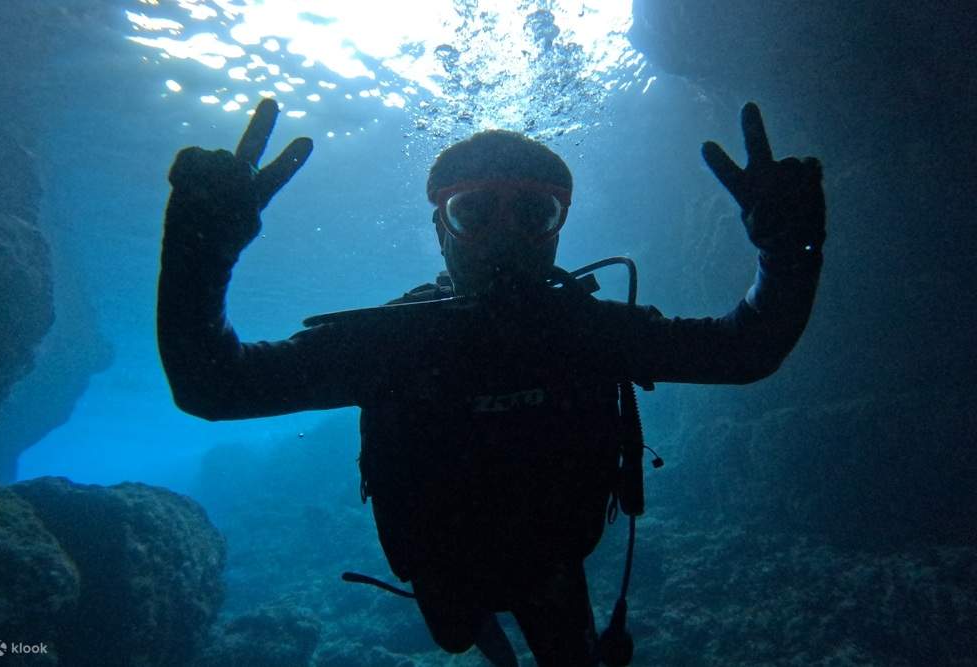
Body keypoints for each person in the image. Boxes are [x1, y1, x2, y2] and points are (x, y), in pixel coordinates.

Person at [157, 98, 825, 666]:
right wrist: (202, 244)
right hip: (445, 567)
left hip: (551, 562)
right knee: (458, 631)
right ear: (440, 229)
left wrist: (787, 248)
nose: (504, 235)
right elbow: (211, 386)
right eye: (475, 213)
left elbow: (746, 351)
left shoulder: (587, 332)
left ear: (559, 228)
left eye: (533, 213)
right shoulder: (394, 341)